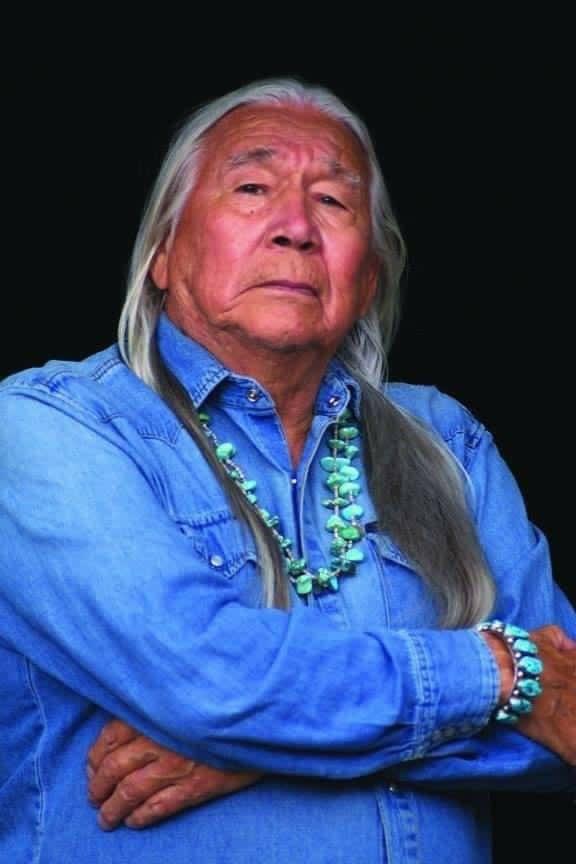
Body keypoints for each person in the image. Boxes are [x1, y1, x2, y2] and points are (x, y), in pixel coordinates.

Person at [0, 77, 574, 864]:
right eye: (252, 188)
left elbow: (568, 720)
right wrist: (500, 675)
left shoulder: (449, 442)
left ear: (369, 277)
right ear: (163, 251)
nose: (296, 228)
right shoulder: (51, 427)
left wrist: (265, 744)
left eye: (333, 202)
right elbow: (205, 679)